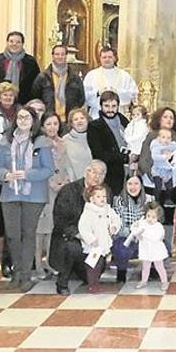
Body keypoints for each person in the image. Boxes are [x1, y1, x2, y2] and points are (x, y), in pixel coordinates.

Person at [0, 107, 55, 292]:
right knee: (12, 235)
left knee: (28, 235)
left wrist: (27, 174)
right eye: (20, 117)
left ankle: (27, 275)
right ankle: (17, 273)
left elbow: (48, 169)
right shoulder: (6, 140)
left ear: (34, 120)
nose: (23, 120)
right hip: (10, 193)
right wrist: (5, 175)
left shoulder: (41, 141)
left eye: (27, 117)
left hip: (33, 195)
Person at [50, 161, 106, 295]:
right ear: (86, 172)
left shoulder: (105, 192)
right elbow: (60, 221)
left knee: (92, 275)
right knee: (73, 247)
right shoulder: (68, 191)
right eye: (94, 171)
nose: (97, 176)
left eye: (101, 173)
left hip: (93, 242)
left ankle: (80, 271)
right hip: (70, 238)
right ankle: (62, 282)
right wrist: (81, 235)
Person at [36, 113, 69, 281]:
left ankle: (49, 261)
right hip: (44, 188)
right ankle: (38, 264)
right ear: (42, 126)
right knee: (41, 228)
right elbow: (37, 166)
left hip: (61, 189)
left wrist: (65, 181)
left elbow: (66, 164)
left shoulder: (63, 143)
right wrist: (51, 182)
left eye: (55, 123)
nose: (52, 127)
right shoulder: (39, 143)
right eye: (48, 124)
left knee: (53, 228)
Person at [0, 81, 20, 277]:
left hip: (20, 169)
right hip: (2, 168)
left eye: (11, 94)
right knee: (6, 219)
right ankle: (6, 260)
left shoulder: (22, 112)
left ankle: (20, 260)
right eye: (4, 95)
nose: (8, 98)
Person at [78, 185, 121, 293]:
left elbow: (116, 219)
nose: (102, 199)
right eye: (98, 196)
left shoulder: (107, 209)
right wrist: (91, 239)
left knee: (100, 264)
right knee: (93, 265)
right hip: (93, 245)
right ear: (91, 198)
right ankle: (92, 284)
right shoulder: (88, 212)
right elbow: (83, 228)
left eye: (104, 196)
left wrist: (114, 226)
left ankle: (96, 281)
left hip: (103, 243)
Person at [88, 91, 130, 196]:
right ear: (101, 106)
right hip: (110, 173)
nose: (110, 109)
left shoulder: (124, 121)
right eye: (107, 106)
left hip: (129, 171)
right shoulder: (95, 126)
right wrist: (124, 158)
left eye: (114, 106)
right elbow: (99, 153)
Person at [30, 44, 85, 122]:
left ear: (66, 56)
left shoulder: (74, 78)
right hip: (49, 120)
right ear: (52, 56)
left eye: (62, 54)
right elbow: (35, 98)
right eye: (57, 54)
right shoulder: (43, 77)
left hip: (69, 120)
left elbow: (81, 99)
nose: (60, 57)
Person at [0, 31, 40, 105]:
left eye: (18, 42)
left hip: (23, 104)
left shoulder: (31, 62)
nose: (14, 44)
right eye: (11, 41)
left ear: (22, 44)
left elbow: (36, 86)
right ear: (7, 42)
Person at [83, 46, 138, 117]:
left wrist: (117, 92)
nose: (107, 59)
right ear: (100, 59)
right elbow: (84, 95)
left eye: (110, 57)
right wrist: (97, 93)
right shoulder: (91, 75)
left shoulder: (125, 76)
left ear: (115, 58)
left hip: (119, 113)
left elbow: (132, 94)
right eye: (104, 57)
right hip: (97, 114)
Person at [111, 174, 147, 283]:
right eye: (130, 184)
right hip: (125, 236)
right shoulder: (118, 200)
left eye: (136, 183)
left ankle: (152, 269)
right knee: (122, 249)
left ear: (141, 186)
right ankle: (121, 272)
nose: (133, 187)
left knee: (163, 245)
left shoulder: (148, 200)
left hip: (143, 236)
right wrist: (133, 232)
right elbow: (119, 225)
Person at [127, 201, 169, 291]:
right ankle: (143, 280)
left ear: (158, 217)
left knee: (159, 267)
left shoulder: (159, 227)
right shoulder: (143, 224)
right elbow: (137, 235)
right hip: (146, 249)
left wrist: (143, 233)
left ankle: (164, 281)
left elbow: (156, 238)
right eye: (148, 216)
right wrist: (135, 228)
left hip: (156, 250)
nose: (150, 219)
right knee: (145, 267)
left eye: (153, 217)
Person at [149, 128, 176, 203]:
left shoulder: (171, 145)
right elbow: (155, 157)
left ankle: (168, 199)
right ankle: (156, 200)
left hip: (168, 171)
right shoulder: (156, 147)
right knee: (158, 186)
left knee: (170, 186)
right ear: (158, 138)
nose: (166, 140)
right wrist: (165, 157)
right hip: (157, 170)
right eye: (163, 137)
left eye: (168, 138)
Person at [62, 107, 94, 181]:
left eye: (82, 118)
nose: (79, 121)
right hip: (76, 182)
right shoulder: (65, 140)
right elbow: (65, 164)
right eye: (76, 119)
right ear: (72, 124)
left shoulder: (95, 137)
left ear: (87, 120)